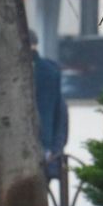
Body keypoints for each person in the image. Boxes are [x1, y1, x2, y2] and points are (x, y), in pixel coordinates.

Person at [30, 30, 69, 183]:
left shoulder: (48, 73)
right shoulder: (50, 72)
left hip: (43, 150)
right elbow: (60, 117)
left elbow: (59, 117)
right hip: (46, 150)